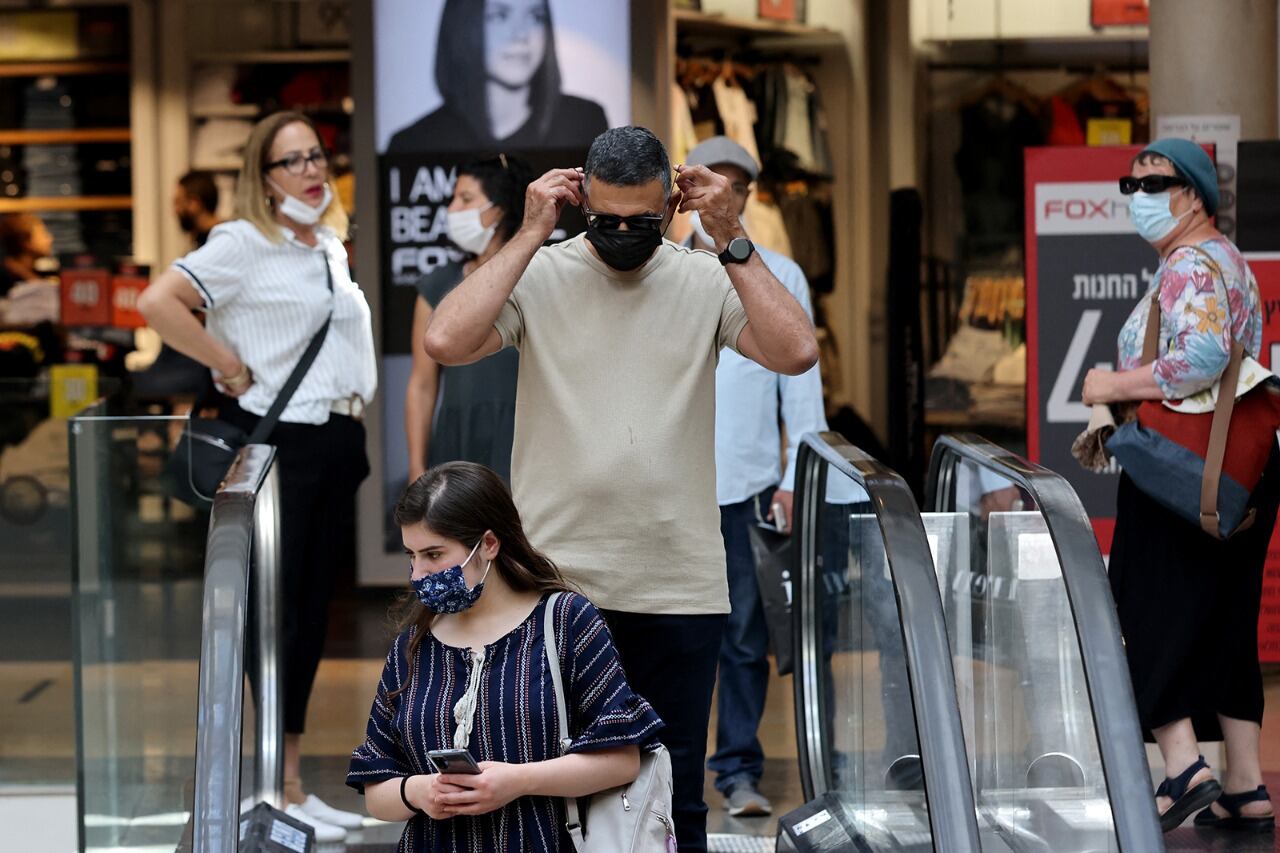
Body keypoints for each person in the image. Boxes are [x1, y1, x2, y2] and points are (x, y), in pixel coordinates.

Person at [423, 125, 819, 852]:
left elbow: (795, 351)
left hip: (678, 586)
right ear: (582, 205)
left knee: (673, 797)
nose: (626, 234)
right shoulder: (541, 273)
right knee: (546, 791)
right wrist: (529, 232)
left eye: (644, 220)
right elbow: (446, 341)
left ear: (672, 202)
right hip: (556, 586)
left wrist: (729, 234)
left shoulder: (704, 277)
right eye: (608, 220)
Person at [137, 111, 377, 842]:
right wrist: (227, 362)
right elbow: (157, 302)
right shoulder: (243, 242)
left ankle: (290, 781)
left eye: (316, 154)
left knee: (307, 615)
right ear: (263, 178)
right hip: (283, 443)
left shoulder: (329, 242)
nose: (310, 168)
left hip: (336, 437)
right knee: (275, 617)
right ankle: (270, 785)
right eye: (291, 160)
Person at [1083, 138, 1279, 833]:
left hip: (1180, 468)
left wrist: (1113, 384)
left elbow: (1199, 357)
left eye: (1153, 182)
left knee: (1141, 604)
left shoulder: (1189, 264)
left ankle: (1182, 765)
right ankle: (1245, 785)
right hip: (1240, 466)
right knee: (1225, 622)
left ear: (1193, 194)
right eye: (1129, 184)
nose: (1137, 195)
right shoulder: (1228, 263)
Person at [347, 462, 662, 851]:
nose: (418, 573)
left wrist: (519, 781)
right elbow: (376, 786)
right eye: (412, 555)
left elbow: (622, 759)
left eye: (433, 554)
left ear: (490, 544)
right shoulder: (413, 645)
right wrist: (420, 791)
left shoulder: (566, 621)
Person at [679, 135, 827, 817]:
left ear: (748, 194)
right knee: (668, 628)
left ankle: (736, 770)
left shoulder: (780, 274)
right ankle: (665, 770)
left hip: (748, 482)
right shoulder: (660, 262)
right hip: (668, 481)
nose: (721, 192)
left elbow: (801, 388)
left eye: (735, 183)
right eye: (711, 178)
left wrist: (797, 476)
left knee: (744, 636)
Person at [405, 154, 531, 483]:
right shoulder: (436, 284)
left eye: (466, 199)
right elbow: (421, 384)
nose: (451, 210)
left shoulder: (537, 275)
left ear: (499, 209)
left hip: (526, 439)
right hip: (457, 438)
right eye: (452, 199)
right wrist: (417, 466)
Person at [386, 0, 607, 153]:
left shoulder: (586, 120)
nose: (520, 34)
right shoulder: (414, 141)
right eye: (500, 16)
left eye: (535, 16)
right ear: (464, 25)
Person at [0, 213, 54, 297]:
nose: (50, 239)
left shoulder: (38, 272)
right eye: (43, 234)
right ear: (26, 243)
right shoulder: (7, 279)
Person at [173, 170, 222, 248]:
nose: (176, 210)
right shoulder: (201, 241)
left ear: (194, 203)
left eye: (178, 203)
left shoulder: (219, 243)